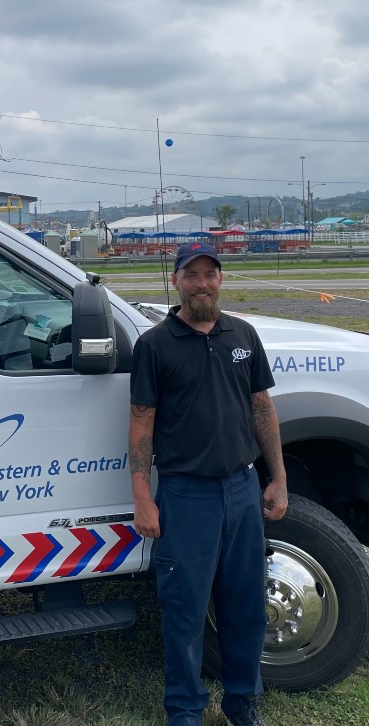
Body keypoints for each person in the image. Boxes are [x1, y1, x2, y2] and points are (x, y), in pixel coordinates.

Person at [128, 242, 288, 726]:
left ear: (221, 279)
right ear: (176, 281)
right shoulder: (154, 346)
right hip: (185, 495)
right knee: (185, 612)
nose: (201, 283)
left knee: (246, 609)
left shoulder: (243, 334)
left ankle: (244, 705)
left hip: (241, 491)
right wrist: (142, 498)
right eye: (191, 275)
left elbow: (262, 407)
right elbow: (141, 424)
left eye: (209, 274)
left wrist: (278, 476)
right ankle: (185, 710)